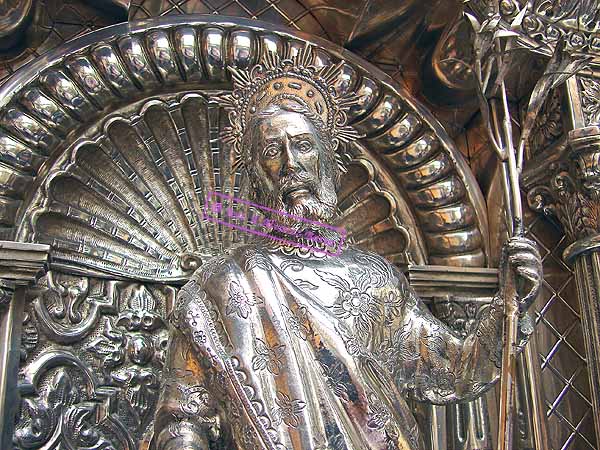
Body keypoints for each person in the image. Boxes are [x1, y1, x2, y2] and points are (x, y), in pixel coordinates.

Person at [152, 47, 541, 450]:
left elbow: (455, 369)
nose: (290, 163)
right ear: (253, 173)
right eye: (272, 151)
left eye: (302, 145)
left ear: (325, 156)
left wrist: (508, 307)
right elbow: (182, 418)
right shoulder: (221, 285)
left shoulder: (375, 279)